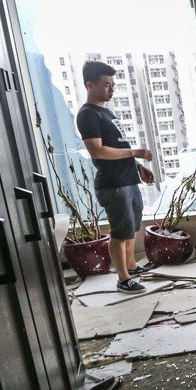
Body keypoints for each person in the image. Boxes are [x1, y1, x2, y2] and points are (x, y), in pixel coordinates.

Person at [76, 60, 156, 293]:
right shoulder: (88, 115)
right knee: (120, 232)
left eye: (112, 85)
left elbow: (117, 146)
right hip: (113, 185)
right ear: (89, 85)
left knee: (131, 227)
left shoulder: (106, 112)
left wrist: (138, 166)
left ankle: (130, 266)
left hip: (128, 180)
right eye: (105, 85)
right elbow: (97, 150)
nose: (111, 89)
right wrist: (135, 152)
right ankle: (123, 279)